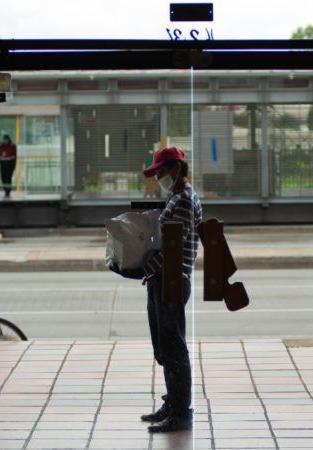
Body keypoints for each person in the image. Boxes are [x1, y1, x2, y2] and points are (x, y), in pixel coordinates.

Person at [110, 146, 202, 433]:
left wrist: (138, 270)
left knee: (174, 347)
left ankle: (180, 412)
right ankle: (172, 403)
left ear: (176, 168)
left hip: (173, 279)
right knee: (164, 346)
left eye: (161, 171)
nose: (158, 177)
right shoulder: (176, 197)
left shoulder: (185, 200)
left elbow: (172, 249)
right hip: (162, 279)